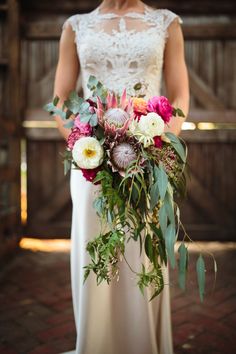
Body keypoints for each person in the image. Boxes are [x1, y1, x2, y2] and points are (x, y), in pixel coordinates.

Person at [53, 1, 189, 353]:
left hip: (148, 161)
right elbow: (60, 99)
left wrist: (157, 146)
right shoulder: (76, 26)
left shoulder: (167, 24)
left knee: (141, 257)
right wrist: (83, 145)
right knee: (93, 254)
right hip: (91, 166)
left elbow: (180, 96)